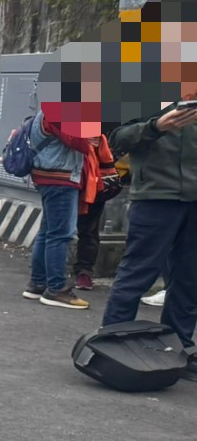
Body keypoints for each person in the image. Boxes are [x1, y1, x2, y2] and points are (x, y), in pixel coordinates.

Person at [102, 101, 197, 370]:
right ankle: (111, 345)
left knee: (190, 279)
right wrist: (155, 126)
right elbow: (117, 139)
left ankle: (180, 348)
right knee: (138, 272)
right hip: (155, 197)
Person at [23, 114, 109, 309]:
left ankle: (37, 284)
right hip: (60, 179)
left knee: (47, 232)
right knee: (60, 234)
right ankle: (56, 289)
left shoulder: (46, 111)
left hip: (48, 177)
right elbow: (81, 143)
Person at [71, 135, 120, 290]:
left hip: (94, 179)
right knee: (55, 230)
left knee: (89, 230)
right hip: (65, 178)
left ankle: (84, 271)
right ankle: (49, 273)